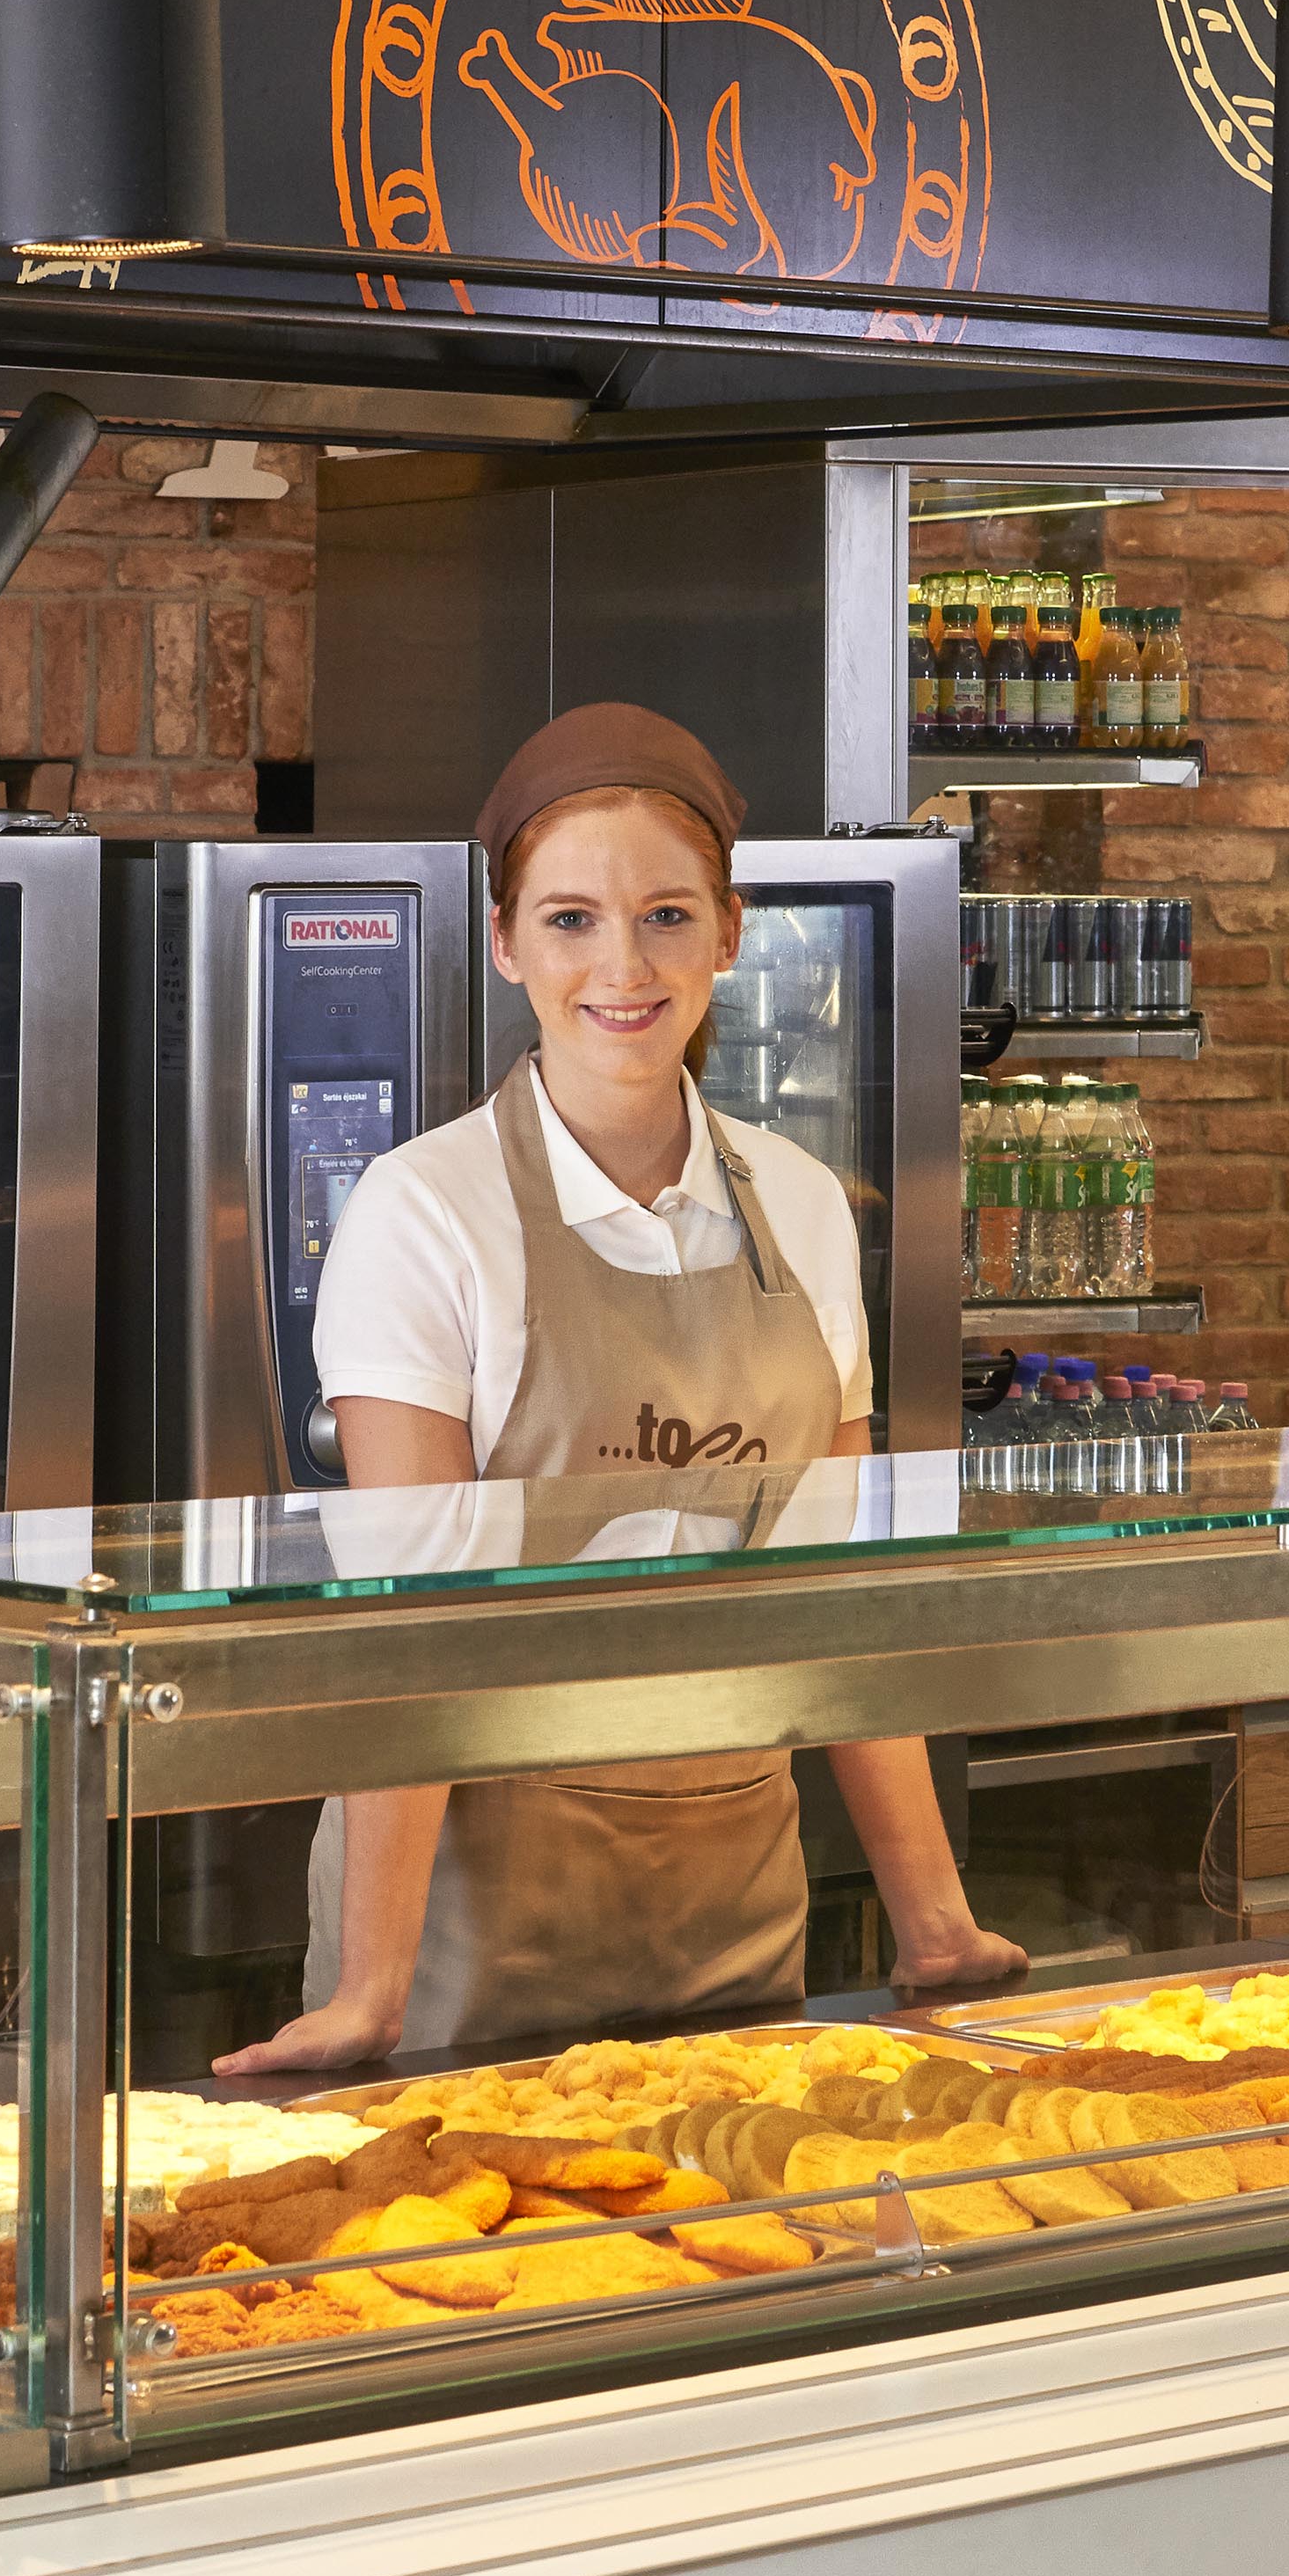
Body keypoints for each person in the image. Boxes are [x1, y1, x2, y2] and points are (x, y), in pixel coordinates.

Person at [216, 704, 1024, 2071]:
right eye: (572, 919)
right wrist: (371, 1992)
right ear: (506, 942)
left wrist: (933, 1918)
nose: (624, 966)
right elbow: (408, 1631)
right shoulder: (423, 1214)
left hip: (737, 1909)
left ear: (729, 931)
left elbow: (835, 1604)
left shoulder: (804, 1207)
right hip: (475, 1939)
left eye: (665, 915)